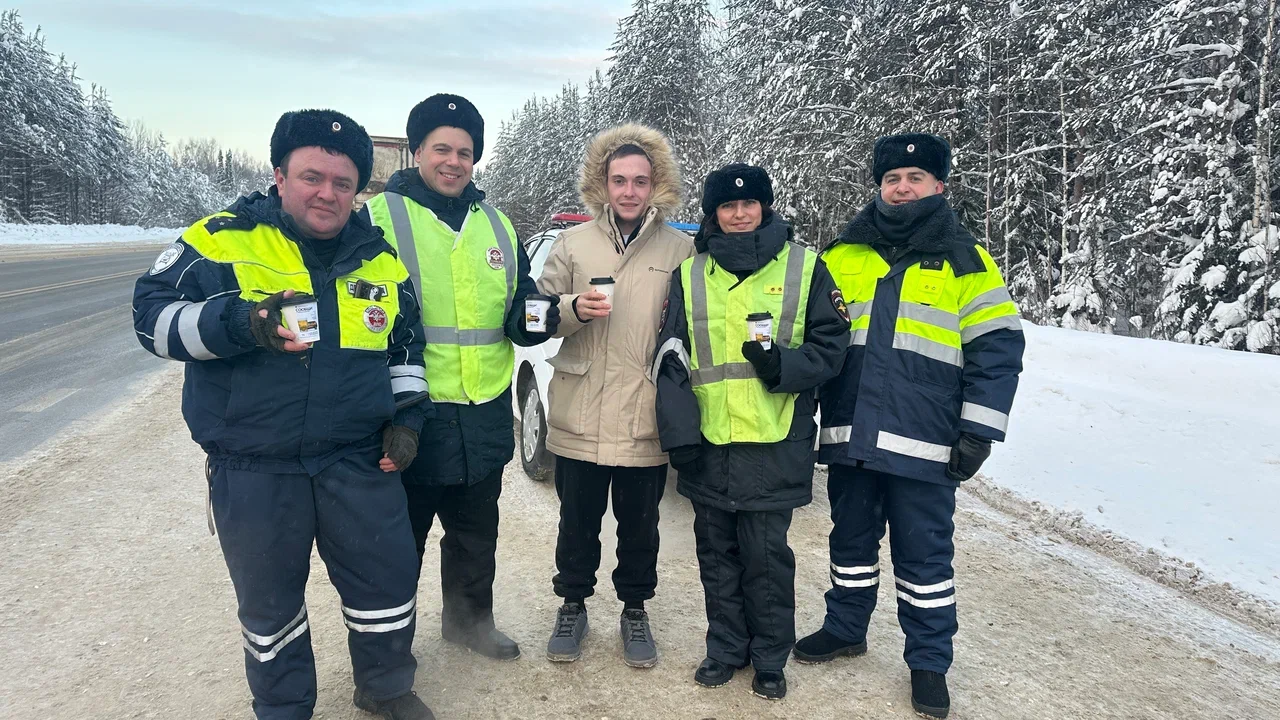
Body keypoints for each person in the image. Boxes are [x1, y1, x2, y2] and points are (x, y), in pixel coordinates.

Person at [133, 110, 435, 720]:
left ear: (358, 190)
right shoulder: (220, 240)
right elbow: (151, 320)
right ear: (279, 175)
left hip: (356, 457)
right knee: (270, 606)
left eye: (342, 182)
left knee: (386, 582)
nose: (327, 193)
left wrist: (408, 420)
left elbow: (406, 348)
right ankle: (284, 707)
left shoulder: (380, 261)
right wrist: (240, 324)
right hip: (254, 463)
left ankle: (385, 689)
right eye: (311, 177)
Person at [794, 133, 1025, 719]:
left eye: (915, 178)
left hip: (927, 443)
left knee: (924, 558)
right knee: (849, 542)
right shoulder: (841, 255)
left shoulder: (966, 259)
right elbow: (814, 341)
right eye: (892, 179)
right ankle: (846, 628)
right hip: (851, 434)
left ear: (938, 185)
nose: (902, 188)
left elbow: (997, 349)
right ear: (878, 187)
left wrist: (979, 430)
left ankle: (929, 662)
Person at [362, 94, 559, 663]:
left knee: (476, 535)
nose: (454, 161)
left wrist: (539, 315)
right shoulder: (378, 219)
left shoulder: (496, 224)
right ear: (416, 150)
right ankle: (390, 648)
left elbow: (520, 306)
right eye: (442, 148)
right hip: (410, 413)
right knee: (400, 543)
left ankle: (468, 623)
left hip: (485, 410)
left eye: (466, 151)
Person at [652, 164, 849, 700]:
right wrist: (680, 437)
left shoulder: (808, 268)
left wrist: (783, 366)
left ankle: (769, 658)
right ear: (712, 214)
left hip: (775, 440)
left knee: (766, 558)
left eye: (749, 204)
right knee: (716, 555)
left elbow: (833, 347)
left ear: (765, 207)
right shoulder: (690, 275)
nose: (739, 214)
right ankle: (725, 650)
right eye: (727, 207)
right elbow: (669, 359)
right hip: (710, 443)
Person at [535, 123, 694, 667]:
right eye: (619, 180)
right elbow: (537, 315)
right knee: (575, 521)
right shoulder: (572, 244)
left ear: (657, 186)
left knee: (640, 526)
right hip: (580, 408)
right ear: (602, 184)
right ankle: (572, 605)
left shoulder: (681, 250)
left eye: (640, 181)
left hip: (643, 413)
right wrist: (572, 310)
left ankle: (634, 610)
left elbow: (690, 328)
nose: (629, 191)